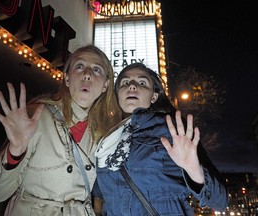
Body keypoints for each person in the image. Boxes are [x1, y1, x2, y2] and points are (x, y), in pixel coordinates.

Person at [0, 45, 122, 216]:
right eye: (79, 66)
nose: (87, 74)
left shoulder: (106, 134)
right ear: (66, 78)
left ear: (105, 85)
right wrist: (15, 152)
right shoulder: (35, 117)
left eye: (96, 69)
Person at [94, 63, 228, 215]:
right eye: (125, 82)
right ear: (117, 94)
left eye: (142, 82)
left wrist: (194, 169)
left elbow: (220, 201)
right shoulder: (105, 140)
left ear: (154, 96)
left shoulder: (171, 129)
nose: (132, 86)